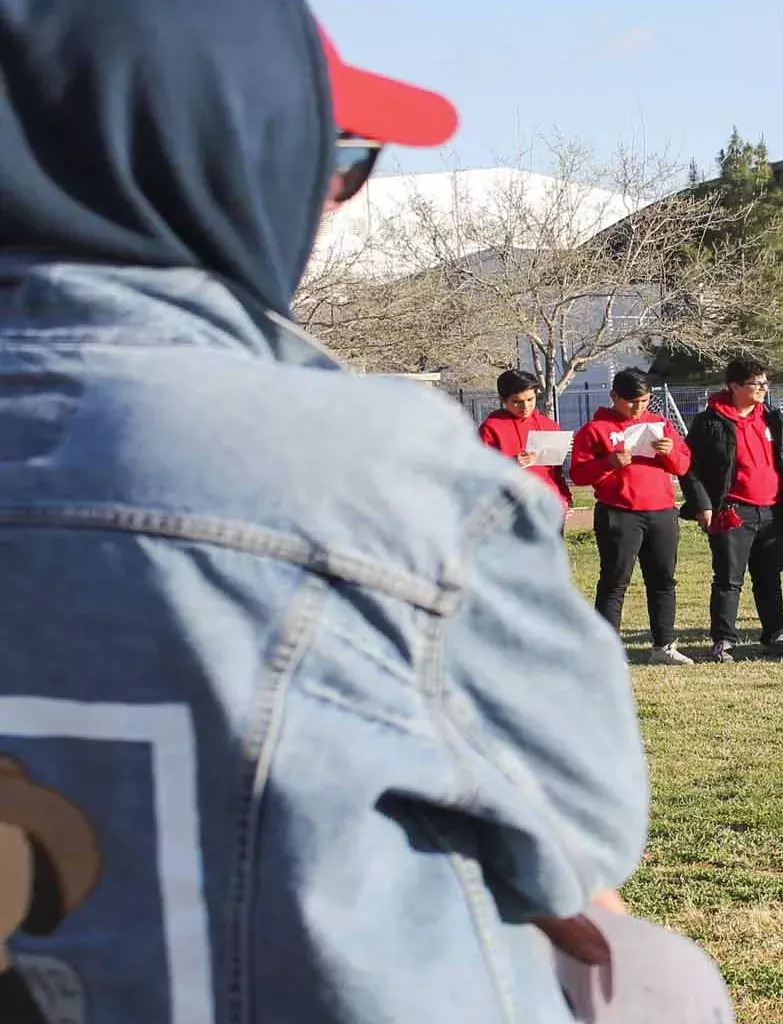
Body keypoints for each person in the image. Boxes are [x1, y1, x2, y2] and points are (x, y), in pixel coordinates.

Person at [0, 4, 722, 1021]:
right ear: (237, 164)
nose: (333, 203)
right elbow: (584, 829)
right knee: (662, 982)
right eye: (333, 158)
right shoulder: (381, 468)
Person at [682, 358, 783, 663]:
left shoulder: (774, 419)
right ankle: (724, 641)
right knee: (729, 578)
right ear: (734, 387)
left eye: (765, 383)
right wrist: (702, 505)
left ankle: (775, 633)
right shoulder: (709, 422)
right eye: (756, 384)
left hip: (772, 512)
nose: (763, 389)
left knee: (770, 576)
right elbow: (690, 469)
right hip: (732, 512)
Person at [571, 368, 693, 665]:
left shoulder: (660, 424)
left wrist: (669, 453)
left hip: (661, 511)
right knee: (615, 580)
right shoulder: (595, 429)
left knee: (663, 579)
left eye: (644, 400)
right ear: (614, 396)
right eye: (631, 401)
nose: (638, 407)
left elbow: (683, 465)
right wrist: (609, 463)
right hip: (619, 512)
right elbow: (578, 473)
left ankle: (663, 646)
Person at [478, 368, 573, 512]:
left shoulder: (549, 425)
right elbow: (481, 472)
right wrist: (511, 464)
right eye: (517, 402)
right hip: (513, 508)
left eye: (530, 399)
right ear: (503, 400)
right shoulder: (491, 428)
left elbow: (556, 471)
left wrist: (564, 497)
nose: (525, 406)